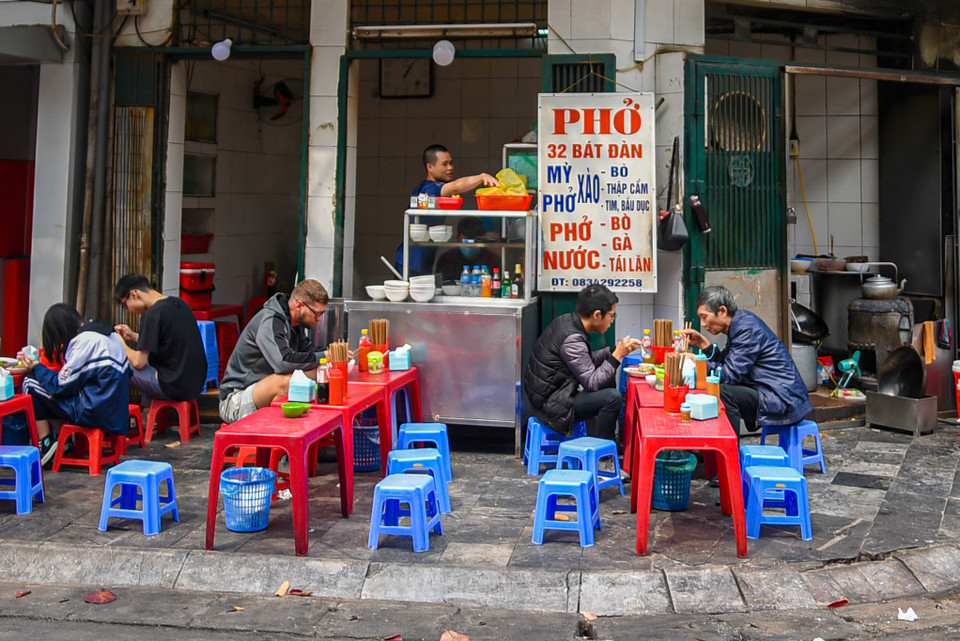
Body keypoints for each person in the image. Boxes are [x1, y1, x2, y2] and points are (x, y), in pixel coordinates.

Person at [524, 284, 642, 453]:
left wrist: (614, 351)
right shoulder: (572, 339)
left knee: (607, 380)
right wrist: (616, 356)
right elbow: (592, 383)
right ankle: (603, 456)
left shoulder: (567, 321)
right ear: (597, 315)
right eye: (611, 316)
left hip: (550, 395)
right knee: (612, 398)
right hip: (550, 405)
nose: (612, 321)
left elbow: (584, 362)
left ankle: (608, 444)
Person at [681, 285, 812, 436]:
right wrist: (704, 344)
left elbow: (729, 375)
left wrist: (698, 362)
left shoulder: (746, 329)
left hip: (784, 399)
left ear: (722, 311)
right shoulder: (739, 323)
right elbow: (726, 364)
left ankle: (730, 448)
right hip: (773, 393)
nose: (703, 324)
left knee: (723, 392)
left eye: (704, 317)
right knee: (716, 387)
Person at [21, 304, 132, 465]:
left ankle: (45, 443)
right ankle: (62, 441)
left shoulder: (84, 341)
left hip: (94, 412)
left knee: (30, 382)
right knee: (51, 389)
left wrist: (37, 367)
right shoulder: (108, 334)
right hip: (116, 411)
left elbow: (61, 386)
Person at [219, 279, 333, 423]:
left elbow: (309, 353)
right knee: (285, 382)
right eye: (317, 313)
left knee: (320, 371)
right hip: (235, 400)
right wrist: (324, 356)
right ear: (299, 306)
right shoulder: (270, 320)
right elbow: (283, 363)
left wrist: (333, 354)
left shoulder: (295, 324)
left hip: (260, 391)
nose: (319, 319)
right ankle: (282, 432)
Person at [397, 144, 501, 276]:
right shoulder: (429, 189)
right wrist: (482, 177)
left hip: (421, 261)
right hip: (411, 262)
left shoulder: (431, 188)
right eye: (445, 164)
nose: (450, 168)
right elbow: (456, 187)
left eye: (451, 163)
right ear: (430, 167)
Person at [113, 273, 207, 403]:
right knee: (152, 364)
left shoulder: (152, 314)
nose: (129, 310)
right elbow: (168, 341)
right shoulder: (179, 303)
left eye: (125, 304)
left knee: (117, 362)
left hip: (174, 386)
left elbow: (139, 363)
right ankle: (148, 413)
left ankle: (118, 410)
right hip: (195, 384)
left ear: (134, 294)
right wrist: (134, 336)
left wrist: (120, 343)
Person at [435, 217, 501, 282]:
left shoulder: (492, 260)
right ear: (457, 237)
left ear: (482, 238)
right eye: (465, 242)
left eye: (473, 243)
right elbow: (440, 283)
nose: (469, 247)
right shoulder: (447, 259)